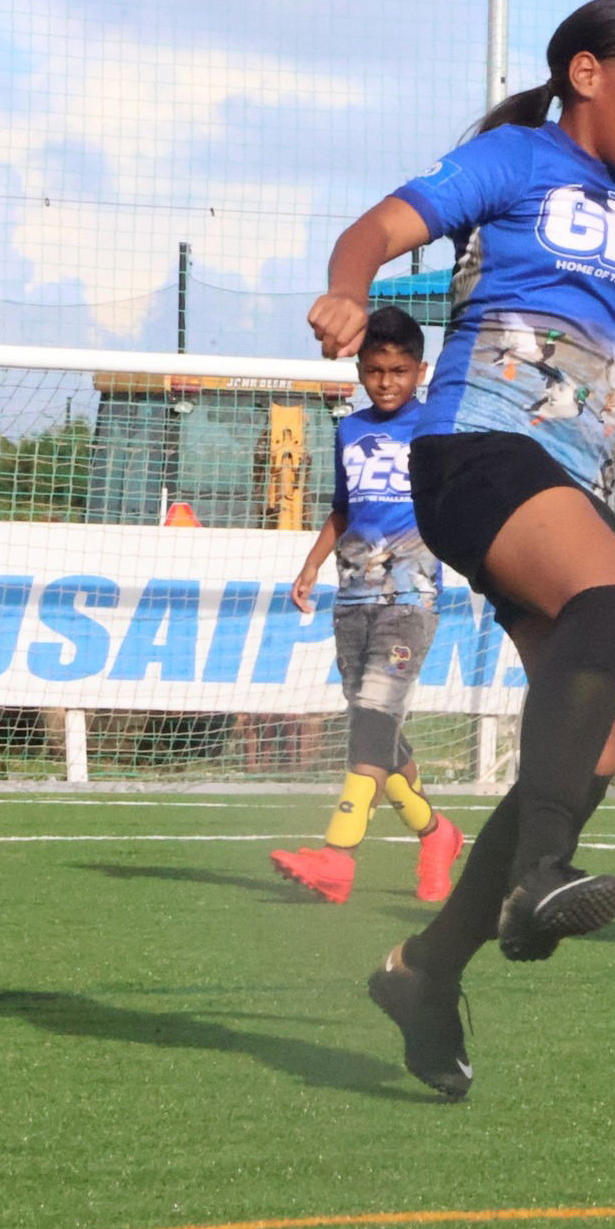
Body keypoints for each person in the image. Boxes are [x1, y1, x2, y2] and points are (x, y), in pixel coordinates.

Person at [306, 0, 615, 1098]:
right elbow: (375, 230)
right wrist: (349, 290)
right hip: (473, 448)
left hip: (566, 474)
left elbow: (597, 378)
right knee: (613, 602)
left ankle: (425, 970)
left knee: (591, 758)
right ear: (586, 72)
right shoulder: (514, 159)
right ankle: (539, 877)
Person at [270, 306, 465, 906]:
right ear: (360, 369)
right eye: (376, 370)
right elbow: (342, 507)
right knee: (373, 725)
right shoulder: (348, 429)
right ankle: (437, 835)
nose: (386, 382)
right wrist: (309, 565)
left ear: (420, 370)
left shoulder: (437, 428)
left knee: (375, 716)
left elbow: (463, 501)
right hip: (352, 598)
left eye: (399, 371)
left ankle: (338, 854)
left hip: (410, 598)